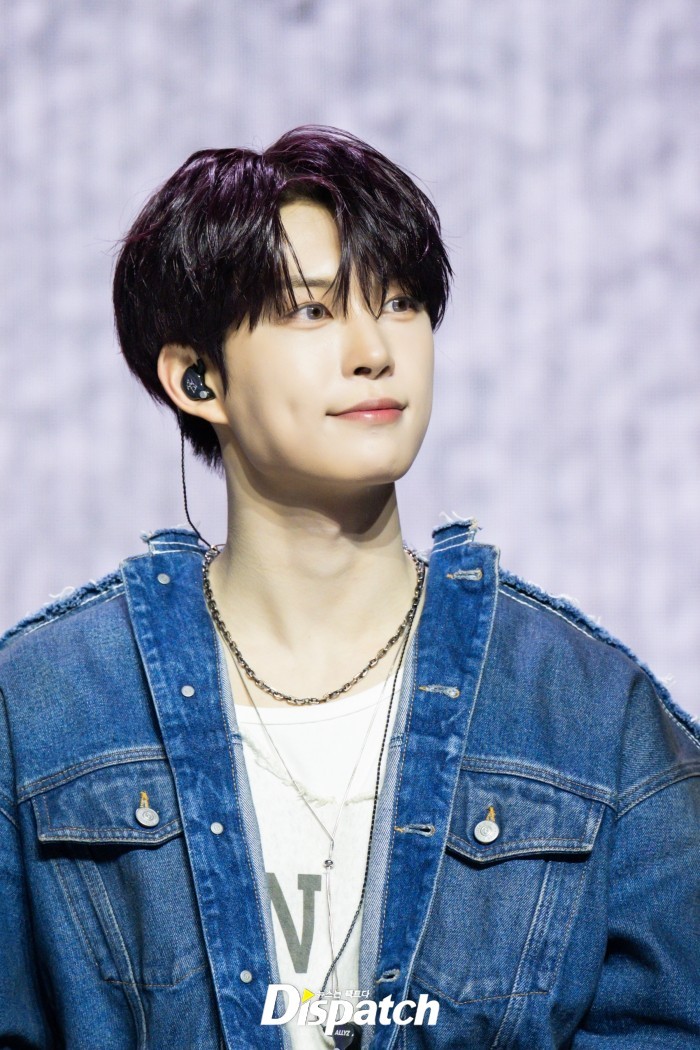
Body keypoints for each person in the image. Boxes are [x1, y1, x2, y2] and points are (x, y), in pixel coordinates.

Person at [0, 126, 698, 1050]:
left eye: (400, 302)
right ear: (198, 378)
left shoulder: (587, 711)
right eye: (312, 311)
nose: (374, 350)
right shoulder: (43, 708)